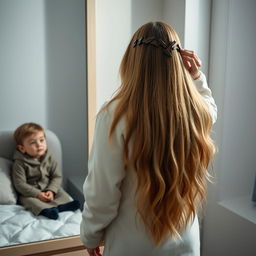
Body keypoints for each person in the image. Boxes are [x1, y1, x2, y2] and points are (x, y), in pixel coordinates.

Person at [80, 21, 217, 256]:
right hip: (186, 244)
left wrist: (91, 235)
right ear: (178, 61)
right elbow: (210, 108)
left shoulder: (114, 115)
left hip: (132, 246)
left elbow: (102, 191)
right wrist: (197, 76)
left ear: (131, 60)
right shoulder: (196, 110)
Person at [12, 122, 80, 220]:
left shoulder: (49, 158)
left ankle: (62, 206)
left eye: (41, 140)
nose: (39, 145)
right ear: (22, 148)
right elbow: (20, 184)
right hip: (31, 193)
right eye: (32, 142)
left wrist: (51, 190)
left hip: (48, 188)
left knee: (61, 193)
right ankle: (46, 211)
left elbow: (57, 176)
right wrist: (37, 194)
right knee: (29, 201)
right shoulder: (19, 163)